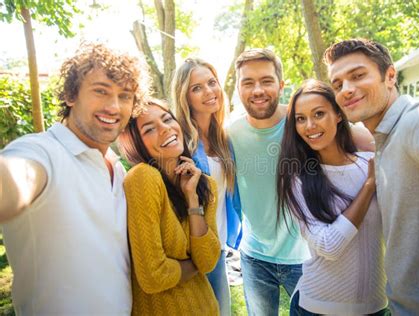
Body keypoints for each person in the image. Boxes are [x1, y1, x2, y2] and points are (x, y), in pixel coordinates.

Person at [324, 38, 419, 315]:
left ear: (389, 76)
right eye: (338, 84)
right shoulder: (382, 139)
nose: (347, 89)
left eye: (358, 76)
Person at [0, 42, 148, 314]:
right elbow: (15, 179)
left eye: (125, 96)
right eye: (101, 91)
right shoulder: (41, 152)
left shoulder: (118, 169)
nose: (114, 106)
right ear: (70, 94)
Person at [276, 79, 388, 315]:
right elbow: (329, 246)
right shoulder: (297, 179)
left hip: (376, 306)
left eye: (318, 114)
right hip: (318, 307)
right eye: (300, 118)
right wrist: (368, 187)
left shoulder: (370, 162)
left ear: (338, 114)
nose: (309, 126)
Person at [227, 48, 310, 315]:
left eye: (266, 80)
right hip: (254, 257)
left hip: (306, 257)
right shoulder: (230, 133)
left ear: (281, 85)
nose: (257, 90)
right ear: (238, 89)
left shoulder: (303, 124)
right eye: (248, 82)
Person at [118, 98, 221, 315]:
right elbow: (153, 277)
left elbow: (210, 261)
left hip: (207, 307)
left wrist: (191, 198)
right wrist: (195, 264)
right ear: (135, 144)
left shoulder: (205, 185)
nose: (165, 129)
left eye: (167, 119)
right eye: (149, 129)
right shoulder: (142, 178)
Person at [172, 57, 242, 316]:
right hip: (192, 251)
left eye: (212, 83)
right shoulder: (179, 141)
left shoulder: (225, 139)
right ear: (185, 97)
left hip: (218, 247)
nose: (209, 91)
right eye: (197, 87)